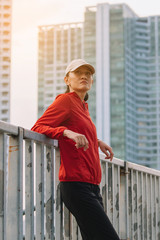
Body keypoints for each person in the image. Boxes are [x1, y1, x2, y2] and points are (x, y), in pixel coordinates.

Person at [31, 59, 120, 240]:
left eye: (88, 74)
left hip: (92, 186)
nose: (84, 76)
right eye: (78, 73)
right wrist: (65, 132)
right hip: (76, 185)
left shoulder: (83, 107)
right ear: (67, 80)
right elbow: (37, 127)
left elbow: (80, 131)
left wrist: (97, 141)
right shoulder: (65, 101)